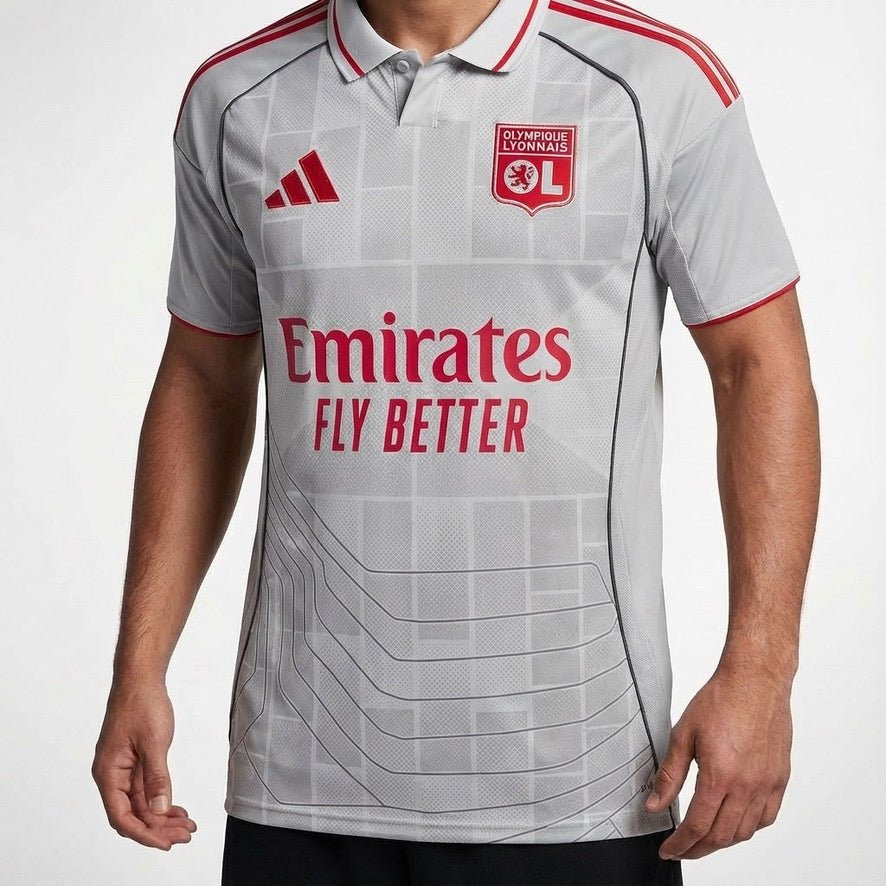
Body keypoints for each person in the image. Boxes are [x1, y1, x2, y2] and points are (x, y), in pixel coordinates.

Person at [91, 0, 820, 883]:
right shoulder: (237, 97)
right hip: (303, 768)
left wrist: (761, 670)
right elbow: (203, 379)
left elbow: (758, 367)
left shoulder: (656, 84)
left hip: (580, 776)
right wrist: (140, 664)